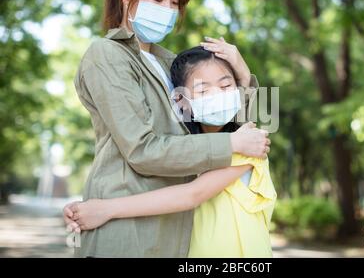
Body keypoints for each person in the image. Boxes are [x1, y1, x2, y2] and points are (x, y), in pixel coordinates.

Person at [65, 0, 270, 257]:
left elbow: (231, 126)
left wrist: (243, 73)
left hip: (175, 233)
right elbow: (142, 150)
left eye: (175, 2)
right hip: (126, 232)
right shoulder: (107, 55)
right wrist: (231, 144)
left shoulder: (170, 63)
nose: (169, 11)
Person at [65, 47, 276, 257]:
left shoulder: (247, 145)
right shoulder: (189, 151)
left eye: (226, 86)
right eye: (203, 90)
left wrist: (105, 209)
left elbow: (191, 195)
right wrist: (87, 210)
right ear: (181, 101)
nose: (218, 96)